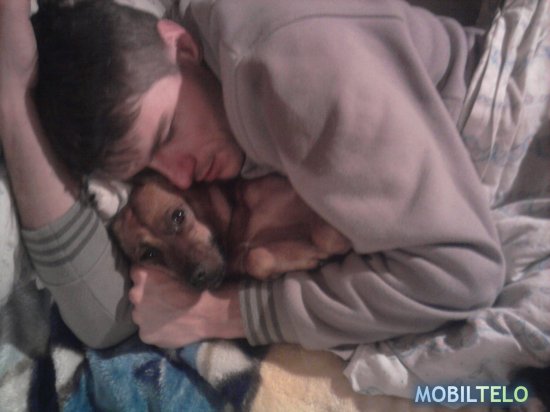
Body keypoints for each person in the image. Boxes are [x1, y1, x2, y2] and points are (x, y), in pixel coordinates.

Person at [0, 0, 504, 380]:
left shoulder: (296, 75)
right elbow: (102, 315)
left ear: (183, 48)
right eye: (151, 168)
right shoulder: (187, 92)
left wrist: (229, 313)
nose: (180, 178)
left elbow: (464, 273)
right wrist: (14, 94)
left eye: (169, 132)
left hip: (503, 118)